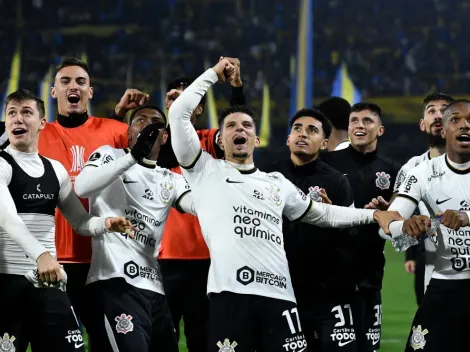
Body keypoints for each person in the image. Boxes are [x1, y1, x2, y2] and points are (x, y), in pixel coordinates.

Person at [168, 59, 402, 352]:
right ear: (221, 139)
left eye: (246, 125)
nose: (238, 129)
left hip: (280, 298)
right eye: (231, 126)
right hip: (231, 295)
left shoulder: (276, 182)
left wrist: (373, 215)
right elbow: (178, 114)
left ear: (256, 139)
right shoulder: (205, 171)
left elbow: (324, 214)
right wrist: (214, 75)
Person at [0, 89, 132, 352]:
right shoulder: (1, 164)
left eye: (27, 112)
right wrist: (42, 256)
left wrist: (105, 224)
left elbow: (80, 221)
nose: (18, 119)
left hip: (49, 282)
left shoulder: (56, 170)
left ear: (41, 123)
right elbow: (7, 219)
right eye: (11, 113)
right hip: (8, 285)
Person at [37, 57, 149, 328]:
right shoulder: (37, 134)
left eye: (80, 82)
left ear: (90, 91)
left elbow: (154, 151)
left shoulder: (115, 130)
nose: (72, 86)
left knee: (107, 340)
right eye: (65, 81)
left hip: (105, 260)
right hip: (54, 258)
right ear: (54, 92)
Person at [74, 105, 195, 352]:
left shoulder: (171, 178)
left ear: (165, 136)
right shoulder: (110, 155)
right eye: (141, 120)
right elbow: (82, 188)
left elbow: (196, 205)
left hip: (154, 288)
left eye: (155, 122)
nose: (148, 125)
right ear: (129, 133)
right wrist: (132, 156)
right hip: (114, 280)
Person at [157, 57, 245, 352]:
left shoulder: (210, 141)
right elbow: (167, 156)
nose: (183, 102)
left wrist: (236, 88)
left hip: (208, 261)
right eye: (175, 98)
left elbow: (238, 127)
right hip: (165, 260)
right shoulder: (157, 143)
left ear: (199, 107)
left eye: (189, 97)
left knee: (203, 340)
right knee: (161, 341)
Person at [264, 108, 358, 351]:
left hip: (326, 293)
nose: (302, 134)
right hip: (280, 290)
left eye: (312, 130)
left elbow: (351, 240)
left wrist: (332, 220)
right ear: (288, 139)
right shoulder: (268, 178)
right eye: (297, 129)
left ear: (325, 143)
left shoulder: (337, 182)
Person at [384, 99, 470, 351]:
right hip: (445, 284)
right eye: (455, 120)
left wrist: (467, 217)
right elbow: (387, 225)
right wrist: (407, 226)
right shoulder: (421, 173)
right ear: (443, 131)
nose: (465, 125)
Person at [321, 102, 402, 352]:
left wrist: (388, 209)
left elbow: (397, 224)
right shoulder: (327, 163)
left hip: (371, 275)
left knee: (368, 348)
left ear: (380, 130)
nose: (359, 125)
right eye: (354, 120)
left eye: (367, 121)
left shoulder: (392, 170)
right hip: (332, 276)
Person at [392, 93, 454, 305]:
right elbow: (396, 238)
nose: (438, 115)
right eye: (432, 111)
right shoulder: (411, 169)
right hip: (431, 270)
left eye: (445, 109)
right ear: (422, 124)